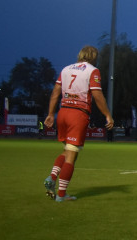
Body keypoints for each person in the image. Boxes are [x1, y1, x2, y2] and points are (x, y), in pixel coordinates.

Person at [42, 45, 114, 202]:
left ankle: (52, 176)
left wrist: (50, 114)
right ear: (94, 57)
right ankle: (61, 195)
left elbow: (55, 92)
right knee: (71, 156)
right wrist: (107, 115)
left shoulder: (66, 69)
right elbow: (97, 94)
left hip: (63, 113)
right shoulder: (92, 70)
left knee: (67, 151)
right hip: (78, 114)